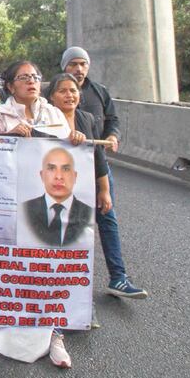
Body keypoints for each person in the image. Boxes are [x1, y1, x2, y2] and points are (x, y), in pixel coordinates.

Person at [0, 60, 85, 370]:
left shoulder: (54, 113)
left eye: (35, 77)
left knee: (49, 269)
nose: (31, 82)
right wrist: (8, 137)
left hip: (49, 203)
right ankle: (9, 331)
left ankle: (55, 336)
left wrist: (75, 140)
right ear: (11, 85)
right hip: (12, 204)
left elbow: (68, 153)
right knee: (16, 269)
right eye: (23, 77)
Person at [46, 72, 147, 302]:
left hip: (89, 182)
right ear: (52, 97)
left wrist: (104, 189)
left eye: (73, 90)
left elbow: (98, 156)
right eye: (62, 90)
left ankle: (118, 277)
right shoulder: (45, 120)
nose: (69, 95)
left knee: (106, 220)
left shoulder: (87, 118)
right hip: (59, 189)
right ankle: (68, 295)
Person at [20, 147, 93, 247]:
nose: (58, 176)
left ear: (75, 176)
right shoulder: (24, 209)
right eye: (51, 168)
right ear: (42, 175)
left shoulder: (88, 212)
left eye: (66, 169)